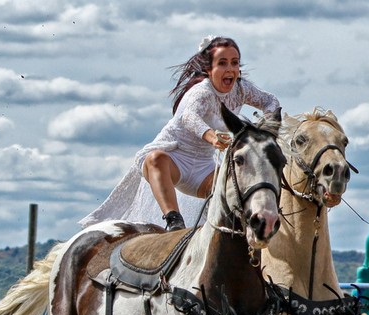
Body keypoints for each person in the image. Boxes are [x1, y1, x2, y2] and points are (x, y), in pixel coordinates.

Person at [79, 36, 280, 232]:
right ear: (209, 70)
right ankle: (174, 220)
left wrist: (265, 131)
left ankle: (244, 226)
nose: (230, 69)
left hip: (204, 167)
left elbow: (271, 101)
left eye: (234, 63)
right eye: (222, 63)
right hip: (174, 158)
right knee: (155, 159)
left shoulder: (242, 89)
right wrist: (212, 136)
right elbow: (189, 117)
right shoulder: (202, 92)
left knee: (236, 181)